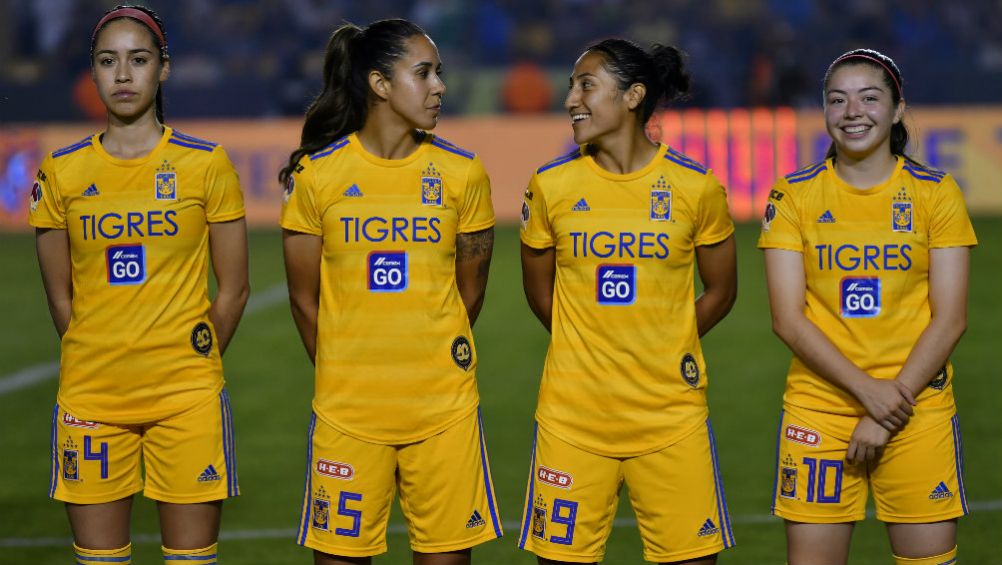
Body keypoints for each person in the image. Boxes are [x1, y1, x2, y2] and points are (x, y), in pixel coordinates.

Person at [29, 5, 249, 565]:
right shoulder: (61, 171)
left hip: (187, 399)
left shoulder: (206, 165)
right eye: (108, 61)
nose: (123, 75)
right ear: (93, 73)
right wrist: (96, 353)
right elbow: (60, 296)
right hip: (91, 399)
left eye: (138, 60)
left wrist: (194, 363)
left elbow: (235, 288)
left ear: (164, 69)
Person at [279, 19, 500, 565]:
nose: (439, 86)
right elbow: (304, 300)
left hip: (443, 412)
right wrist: (344, 373)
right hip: (347, 415)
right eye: (423, 73)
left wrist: (426, 359)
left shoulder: (462, 173)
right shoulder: (318, 176)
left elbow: (468, 295)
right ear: (379, 83)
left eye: (439, 73)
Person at [518, 38, 738, 565]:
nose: (571, 98)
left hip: (670, 418)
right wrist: (587, 342)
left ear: (634, 95)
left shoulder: (695, 186)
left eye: (586, 85)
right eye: (572, 85)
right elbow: (537, 290)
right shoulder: (550, 186)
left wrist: (668, 340)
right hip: (572, 419)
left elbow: (723, 290)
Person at [759, 48, 976, 565]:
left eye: (869, 98)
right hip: (820, 411)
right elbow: (787, 320)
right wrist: (868, 395)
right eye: (838, 100)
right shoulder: (792, 196)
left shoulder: (936, 194)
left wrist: (889, 407)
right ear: (825, 111)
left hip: (916, 410)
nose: (852, 111)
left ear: (898, 109)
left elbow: (951, 319)